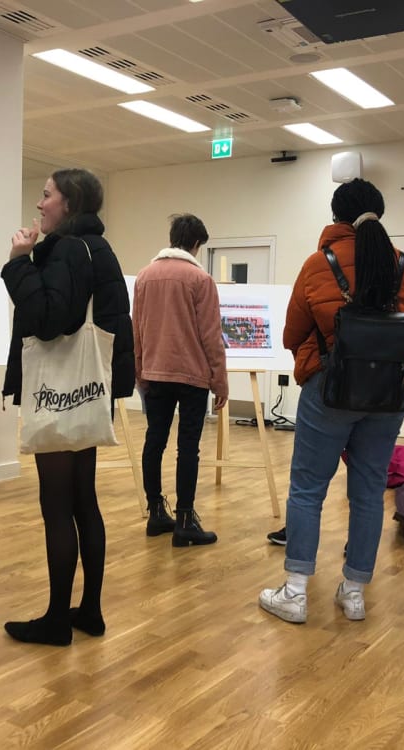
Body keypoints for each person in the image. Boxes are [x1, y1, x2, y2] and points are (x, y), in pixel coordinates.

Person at [259, 178, 404, 624]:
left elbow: (292, 334)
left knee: (308, 488)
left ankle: (294, 592)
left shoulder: (319, 264)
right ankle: (353, 592)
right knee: (370, 492)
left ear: (336, 216)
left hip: (330, 391)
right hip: (388, 395)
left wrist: (323, 357)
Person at [1, 168, 134, 646]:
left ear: (69, 202)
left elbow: (48, 320)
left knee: (57, 506)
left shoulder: (64, 250)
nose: (40, 205)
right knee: (85, 503)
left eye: (46, 195)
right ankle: (90, 610)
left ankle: (58, 619)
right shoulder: (101, 248)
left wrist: (19, 262)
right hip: (89, 392)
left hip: (58, 390)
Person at [132, 213, 229, 546]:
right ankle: (185, 519)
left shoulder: (144, 276)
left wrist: (139, 370)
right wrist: (220, 381)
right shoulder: (200, 280)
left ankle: (156, 512)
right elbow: (211, 337)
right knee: (188, 447)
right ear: (197, 244)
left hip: (154, 373)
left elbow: (137, 330)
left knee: (154, 441)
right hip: (192, 376)